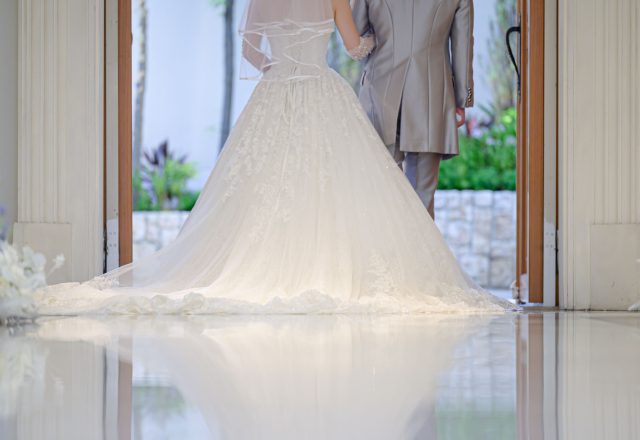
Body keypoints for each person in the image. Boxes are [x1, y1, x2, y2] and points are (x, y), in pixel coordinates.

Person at [36, 0, 509, 315]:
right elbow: (354, 46)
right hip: (322, 91)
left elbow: (249, 50)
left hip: (276, 90)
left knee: (265, 185)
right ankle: (343, 268)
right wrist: (371, 47)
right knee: (335, 185)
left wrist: (276, 68)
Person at [352, 0, 474, 218]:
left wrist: (383, 50)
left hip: (380, 90)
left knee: (382, 192)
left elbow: (355, 35)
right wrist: (462, 99)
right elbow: (462, 44)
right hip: (431, 93)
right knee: (422, 198)